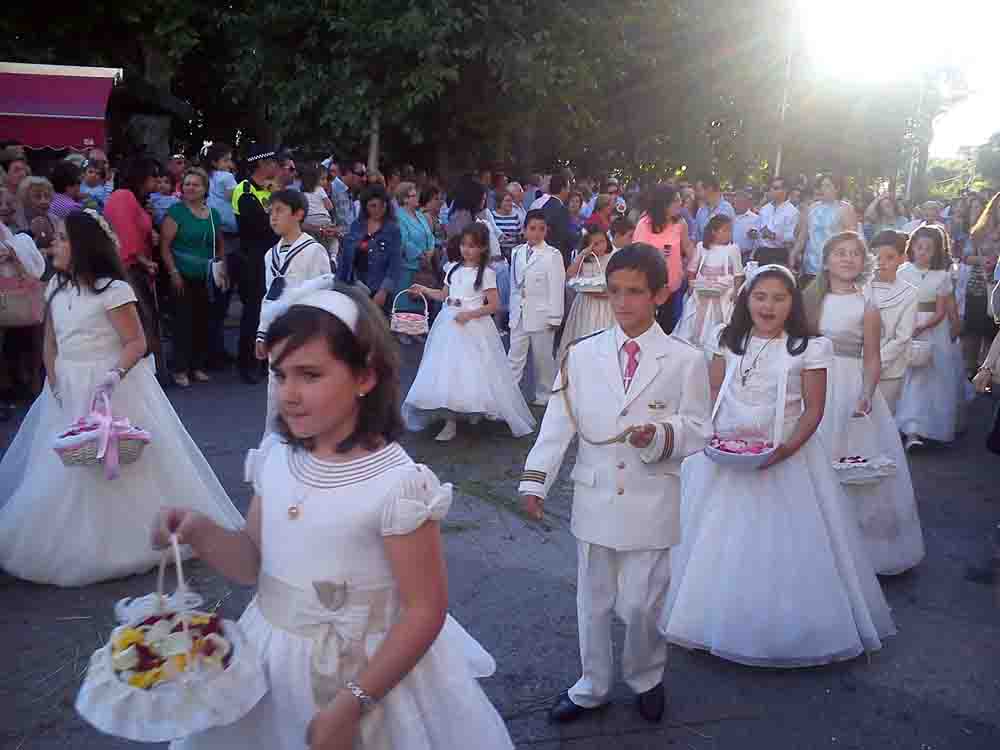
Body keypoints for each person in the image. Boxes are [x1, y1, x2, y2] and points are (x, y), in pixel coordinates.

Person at [152, 281, 515, 750]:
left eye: (310, 375)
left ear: (364, 377)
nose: (289, 394)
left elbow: (425, 610)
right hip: (272, 661)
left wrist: (353, 702)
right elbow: (251, 561)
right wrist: (197, 530)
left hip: (365, 675)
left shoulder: (397, 483)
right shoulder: (276, 455)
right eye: (280, 375)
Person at [660, 263, 895, 667]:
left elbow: (813, 409)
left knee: (782, 545)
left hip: (786, 456)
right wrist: (709, 437)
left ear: (794, 303)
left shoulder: (809, 347)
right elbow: (712, 390)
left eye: (780, 298)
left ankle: (781, 626)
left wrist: (783, 452)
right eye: (760, 296)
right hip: (724, 454)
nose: (769, 305)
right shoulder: (726, 339)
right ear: (746, 300)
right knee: (715, 538)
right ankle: (712, 615)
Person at [520, 243, 710, 724]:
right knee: (594, 601)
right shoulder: (582, 355)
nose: (623, 302)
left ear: (661, 295)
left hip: (652, 498)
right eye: (615, 291)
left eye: (635, 293)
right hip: (595, 494)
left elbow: (699, 427)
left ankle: (646, 674)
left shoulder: (685, 359)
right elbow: (558, 423)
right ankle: (592, 684)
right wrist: (537, 481)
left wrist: (661, 434)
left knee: (642, 605)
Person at [0, 211, 243, 586]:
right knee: (68, 464)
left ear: (83, 246)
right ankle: (71, 539)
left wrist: (112, 377)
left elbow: (135, 342)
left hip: (110, 384)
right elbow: (50, 343)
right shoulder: (55, 289)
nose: (54, 245)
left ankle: (128, 539)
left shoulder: (113, 290)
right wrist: (54, 381)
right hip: (67, 385)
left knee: (120, 463)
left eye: (63, 239)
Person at [805, 232, 925, 576]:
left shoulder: (867, 307)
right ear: (826, 259)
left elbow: (872, 358)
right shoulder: (810, 299)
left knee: (850, 464)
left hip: (847, 386)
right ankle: (813, 540)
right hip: (813, 381)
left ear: (863, 263)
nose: (847, 259)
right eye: (839, 253)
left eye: (854, 254)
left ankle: (858, 547)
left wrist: (867, 392)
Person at [403, 223, 534, 442]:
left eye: (472, 246)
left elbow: (494, 305)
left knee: (474, 368)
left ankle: (473, 408)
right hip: (449, 322)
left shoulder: (486, 273)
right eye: (464, 245)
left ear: (482, 248)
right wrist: (424, 290)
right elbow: (444, 295)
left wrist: (470, 315)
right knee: (447, 369)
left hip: (473, 325)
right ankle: (449, 419)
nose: (466, 250)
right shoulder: (452, 268)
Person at [254, 190, 333, 435]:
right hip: (278, 336)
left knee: (305, 396)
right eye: (271, 212)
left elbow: (325, 294)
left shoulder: (314, 251)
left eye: (279, 211)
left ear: (298, 214)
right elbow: (270, 296)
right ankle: (276, 451)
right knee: (276, 396)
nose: (273, 217)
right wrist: (261, 333)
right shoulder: (270, 255)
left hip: (305, 335)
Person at [895, 226, 963, 449]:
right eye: (919, 247)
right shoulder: (902, 271)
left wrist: (924, 326)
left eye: (928, 249)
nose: (923, 252)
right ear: (912, 247)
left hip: (933, 328)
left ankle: (925, 427)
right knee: (908, 377)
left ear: (936, 252)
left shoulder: (941, 276)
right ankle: (906, 426)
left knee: (930, 378)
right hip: (907, 323)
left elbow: (942, 310)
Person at [160, 168, 225, 389]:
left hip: (206, 277)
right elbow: (164, 247)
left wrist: (221, 268)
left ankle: (197, 366)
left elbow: (219, 245)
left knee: (202, 322)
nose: (189, 187)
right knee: (182, 323)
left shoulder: (213, 214)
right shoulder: (176, 212)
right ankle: (180, 369)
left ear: (205, 189)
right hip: (182, 275)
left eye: (195, 184)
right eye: (187, 183)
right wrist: (173, 273)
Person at [103, 157, 167, 381]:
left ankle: (152, 372)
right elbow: (125, 234)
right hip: (129, 268)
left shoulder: (133, 199)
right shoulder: (122, 197)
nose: (157, 182)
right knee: (143, 320)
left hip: (136, 266)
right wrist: (143, 260)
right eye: (153, 177)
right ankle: (146, 374)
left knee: (147, 318)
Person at [508, 210, 565, 407]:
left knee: (542, 358)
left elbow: (557, 287)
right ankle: (510, 393)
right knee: (514, 355)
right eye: (532, 228)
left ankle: (545, 393)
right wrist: (512, 310)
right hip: (519, 313)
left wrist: (555, 317)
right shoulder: (517, 252)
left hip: (541, 314)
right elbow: (514, 285)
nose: (536, 233)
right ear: (524, 230)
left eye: (541, 229)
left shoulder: (552, 255)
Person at [233, 146, 280, 384]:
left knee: (271, 309)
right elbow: (261, 226)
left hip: (274, 257)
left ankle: (265, 359)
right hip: (252, 258)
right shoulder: (244, 189)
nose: (277, 166)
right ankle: (247, 362)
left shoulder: (273, 190)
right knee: (253, 312)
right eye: (273, 161)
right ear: (261, 164)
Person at [0, 193, 45, 420]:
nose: (6, 208)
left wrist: (13, 250)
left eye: (8, 204)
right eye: (1, 204)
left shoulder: (6, 230)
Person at [674, 215, 743, 351]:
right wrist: (690, 284)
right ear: (714, 231)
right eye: (725, 230)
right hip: (701, 290)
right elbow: (692, 269)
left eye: (730, 230)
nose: (729, 234)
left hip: (724, 292)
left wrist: (736, 292)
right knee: (695, 318)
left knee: (721, 318)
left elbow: (738, 274)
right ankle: (694, 344)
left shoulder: (733, 249)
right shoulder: (701, 247)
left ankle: (717, 345)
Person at [868, 230, 918, 414]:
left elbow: (902, 337)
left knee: (882, 420)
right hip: (854, 366)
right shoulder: (859, 286)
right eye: (876, 256)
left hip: (889, 371)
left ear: (901, 258)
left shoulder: (909, 293)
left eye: (889, 257)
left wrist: (875, 363)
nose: (881, 262)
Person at [633, 185, 692, 334]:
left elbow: (688, 249)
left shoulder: (680, 223)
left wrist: (691, 270)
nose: (680, 204)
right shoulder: (644, 224)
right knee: (645, 328)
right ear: (664, 203)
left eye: (680, 200)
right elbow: (636, 252)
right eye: (676, 201)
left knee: (669, 329)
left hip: (673, 287)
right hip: (648, 286)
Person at [336, 185, 402, 312]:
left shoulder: (392, 230)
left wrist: (384, 291)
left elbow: (395, 263)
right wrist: (339, 284)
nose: (378, 210)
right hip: (355, 285)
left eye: (382, 205)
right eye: (373, 206)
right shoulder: (356, 226)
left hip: (378, 288)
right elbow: (345, 256)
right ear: (365, 206)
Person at [204, 142, 240, 370]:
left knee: (218, 296)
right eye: (226, 160)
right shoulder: (226, 178)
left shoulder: (210, 178)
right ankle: (214, 350)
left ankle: (214, 348)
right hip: (226, 235)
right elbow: (235, 196)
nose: (230, 164)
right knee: (222, 291)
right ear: (216, 162)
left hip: (217, 232)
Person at [557, 226, 616, 362]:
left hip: (607, 304)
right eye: (595, 244)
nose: (600, 246)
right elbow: (570, 276)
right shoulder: (585, 259)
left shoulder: (613, 257)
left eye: (602, 242)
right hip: (586, 304)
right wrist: (582, 255)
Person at [792, 174, 857, 287]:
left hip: (833, 267)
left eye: (827, 186)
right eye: (821, 186)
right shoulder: (812, 208)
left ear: (837, 188)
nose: (823, 189)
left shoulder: (845, 208)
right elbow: (803, 236)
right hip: (810, 266)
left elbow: (852, 239)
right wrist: (793, 254)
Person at [393, 181, 436, 335]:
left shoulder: (419, 215)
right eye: (413, 195)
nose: (417, 197)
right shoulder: (398, 216)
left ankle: (415, 331)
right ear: (404, 199)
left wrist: (431, 250)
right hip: (408, 265)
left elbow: (430, 235)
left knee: (419, 301)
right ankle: (402, 331)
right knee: (406, 299)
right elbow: (403, 240)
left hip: (423, 266)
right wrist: (420, 254)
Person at [964, 192, 1000, 375]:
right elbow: (965, 257)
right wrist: (982, 260)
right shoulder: (980, 231)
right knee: (973, 330)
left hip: (997, 288)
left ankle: (987, 371)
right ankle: (970, 370)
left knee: (992, 332)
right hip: (978, 285)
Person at [753, 176, 799, 266]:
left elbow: (791, 239)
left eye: (776, 188)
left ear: (785, 191)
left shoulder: (792, 212)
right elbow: (757, 228)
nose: (772, 191)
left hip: (779, 255)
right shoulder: (765, 208)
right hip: (761, 252)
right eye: (771, 188)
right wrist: (753, 232)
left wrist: (773, 236)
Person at [541, 174, 574, 266]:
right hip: (559, 257)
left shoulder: (545, 206)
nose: (569, 191)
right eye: (568, 188)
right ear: (563, 189)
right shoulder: (561, 209)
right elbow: (565, 236)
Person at [693, 176, 735, 243]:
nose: (697, 194)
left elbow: (729, 239)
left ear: (709, 189)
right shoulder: (700, 211)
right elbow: (696, 238)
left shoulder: (727, 209)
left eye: (699, 190)